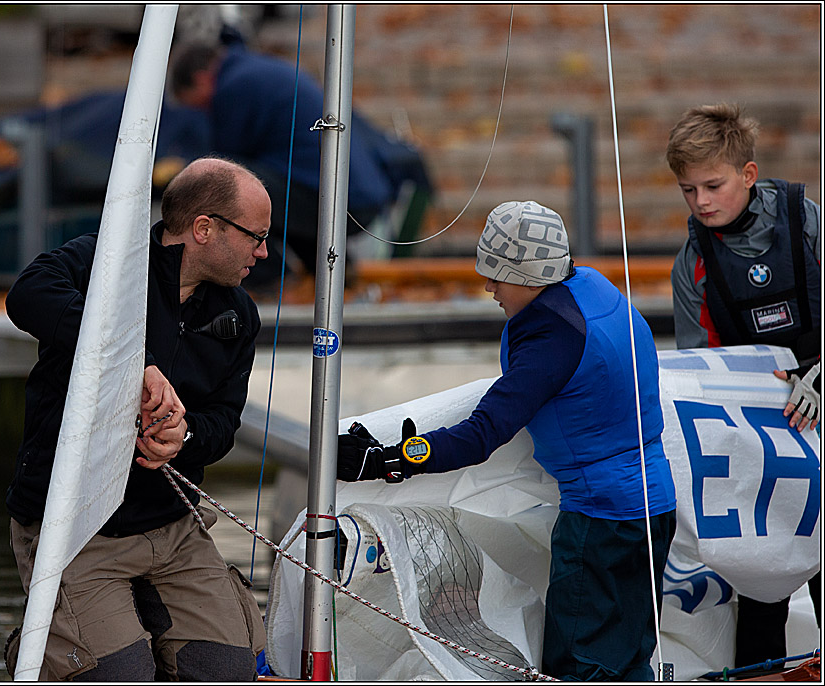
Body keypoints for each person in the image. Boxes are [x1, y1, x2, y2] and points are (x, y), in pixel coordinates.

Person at [337, 200, 677, 681]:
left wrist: (393, 458)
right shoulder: (595, 288)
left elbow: (481, 436)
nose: (488, 286)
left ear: (530, 276)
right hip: (654, 507)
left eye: (497, 274)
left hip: (603, 524)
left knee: (579, 669)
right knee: (629, 662)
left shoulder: (552, 338)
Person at [3, 156, 270, 680]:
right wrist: (134, 363)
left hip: (173, 528)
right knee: (120, 675)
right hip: (76, 526)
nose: (264, 251)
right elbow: (26, 295)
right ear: (203, 229)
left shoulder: (239, 315)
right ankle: (43, 649)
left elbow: (222, 426)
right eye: (255, 236)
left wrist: (183, 436)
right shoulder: (104, 261)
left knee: (228, 670)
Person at [665, 103, 822, 668]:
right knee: (765, 584)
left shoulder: (807, 222)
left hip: (821, 403)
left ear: (748, 176)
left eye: (713, 185)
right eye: (688, 190)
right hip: (766, 437)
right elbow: (696, 367)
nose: (702, 201)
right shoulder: (693, 263)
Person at [170, 34, 400, 290]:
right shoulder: (255, 68)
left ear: (201, 79)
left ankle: (263, 279)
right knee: (270, 184)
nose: (202, 113)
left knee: (224, 188)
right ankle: (336, 277)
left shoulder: (232, 87)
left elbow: (221, 169)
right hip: (357, 197)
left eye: (198, 106)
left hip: (339, 203)